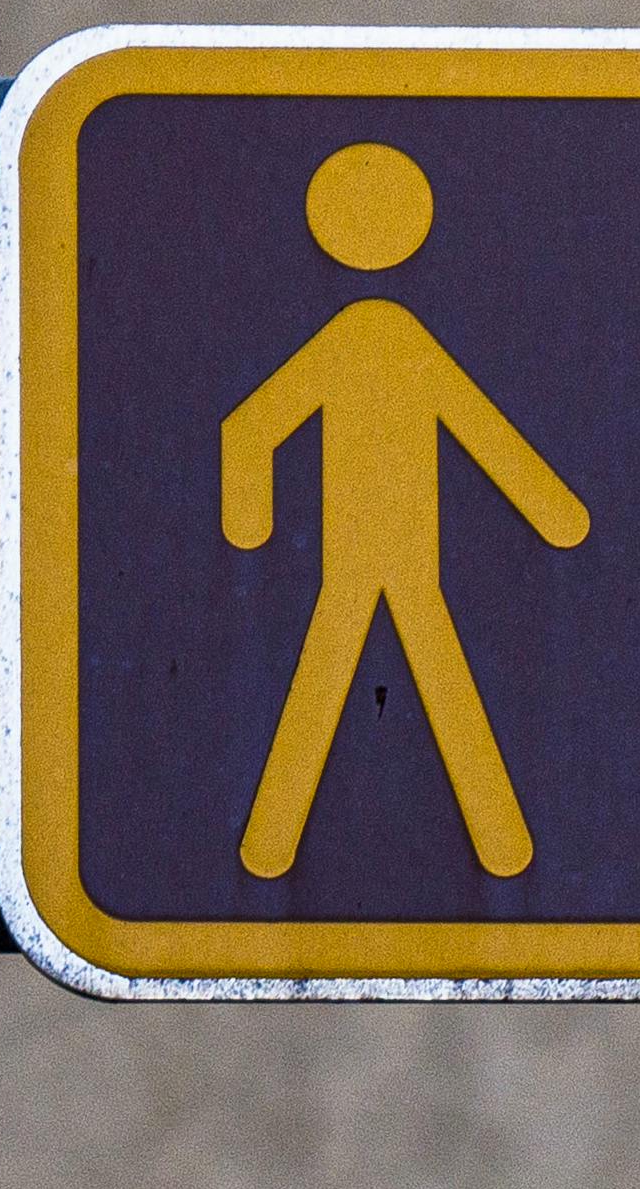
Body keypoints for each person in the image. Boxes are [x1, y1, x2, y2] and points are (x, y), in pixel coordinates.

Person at [220, 141, 586, 880]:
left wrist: (551, 510)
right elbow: (256, 425)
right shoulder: (370, 337)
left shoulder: (374, 336)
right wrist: (552, 511)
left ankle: (273, 847)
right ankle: (494, 844)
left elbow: (254, 428)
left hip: (392, 553)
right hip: (373, 551)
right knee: (400, 671)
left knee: (356, 671)